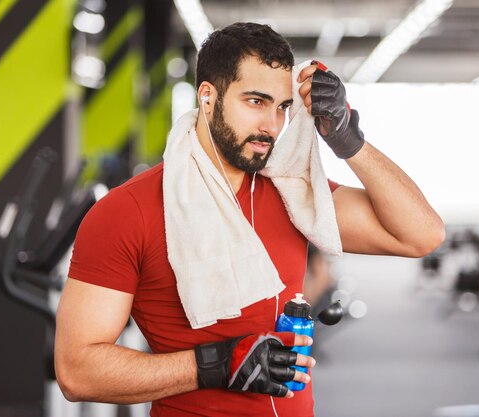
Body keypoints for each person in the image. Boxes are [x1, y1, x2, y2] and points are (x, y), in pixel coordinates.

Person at [54, 22, 444, 416]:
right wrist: (214, 365)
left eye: (282, 107)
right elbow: (77, 372)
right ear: (208, 97)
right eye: (255, 102)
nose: (271, 125)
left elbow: (421, 235)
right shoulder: (128, 211)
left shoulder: (291, 193)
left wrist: (348, 140)